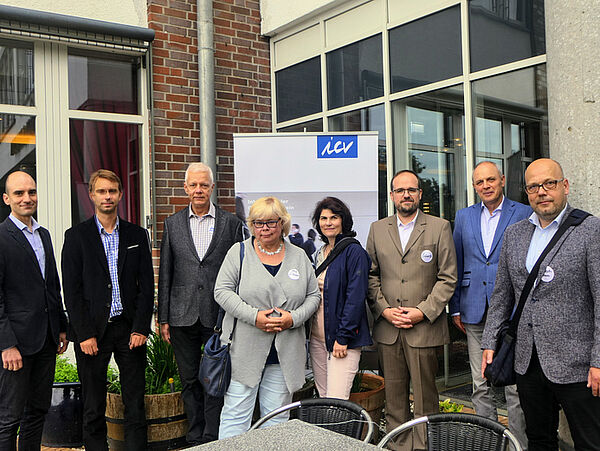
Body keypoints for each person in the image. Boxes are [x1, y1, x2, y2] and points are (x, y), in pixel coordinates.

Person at [482, 158, 600, 450]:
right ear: (527, 192)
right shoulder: (515, 234)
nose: (542, 191)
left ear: (565, 186)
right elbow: (502, 296)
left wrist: (599, 361)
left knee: (590, 442)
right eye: (534, 186)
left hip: (578, 364)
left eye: (549, 184)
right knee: (539, 440)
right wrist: (489, 342)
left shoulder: (590, 230)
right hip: (528, 360)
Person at [62, 169, 154, 450]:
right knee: (93, 406)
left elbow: (147, 286)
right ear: (91, 195)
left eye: (112, 191)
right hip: (93, 333)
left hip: (129, 330)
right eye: (101, 191)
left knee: (134, 404)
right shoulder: (76, 236)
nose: (107, 196)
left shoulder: (137, 234)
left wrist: (140, 327)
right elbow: (72, 291)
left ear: (121, 194)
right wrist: (84, 333)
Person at [214, 196, 320, 438]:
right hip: (244, 349)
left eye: (270, 222)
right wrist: (255, 317)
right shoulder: (238, 252)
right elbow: (221, 292)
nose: (264, 228)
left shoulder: (299, 256)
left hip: (284, 353)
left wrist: (293, 318)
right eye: (258, 223)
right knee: (235, 416)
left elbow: (313, 297)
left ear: (282, 223)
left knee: (277, 419)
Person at [366, 169, 457, 450]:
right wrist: (383, 309)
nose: (406, 194)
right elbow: (370, 276)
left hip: (423, 327)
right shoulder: (378, 229)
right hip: (388, 328)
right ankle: (398, 445)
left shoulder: (439, 227)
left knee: (425, 396)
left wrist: (422, 311)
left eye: (411, 189)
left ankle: (424, 446)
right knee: (393, 395)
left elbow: (448, 277)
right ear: (392, 195)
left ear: (420, 194)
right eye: (400, 190)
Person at [158, 162, 244, 445]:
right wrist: (163, 318)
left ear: (212, 188)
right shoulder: (172, 224)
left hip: (218, 317)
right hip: (182, 316)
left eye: (203, 185)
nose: (198, 190)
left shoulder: (230, 224)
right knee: (189, 380)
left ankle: (212, 435)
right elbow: (166, 272)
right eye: (193, 185)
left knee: (215, 381)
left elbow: (238, 272)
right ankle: (194, 436)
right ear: (185, 188)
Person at [450, 161, 530, 448]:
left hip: (512, 311)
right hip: (473, 308)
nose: (485, 185)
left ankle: (517, 444)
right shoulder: (463, 216)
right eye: (479, 182)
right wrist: (455, 306)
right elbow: (457, 263)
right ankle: (490, 442)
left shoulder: (522, 212)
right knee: (480, 384)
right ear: (474, 186)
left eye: (490, 180)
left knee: (514, 387)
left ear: (502, 180)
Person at [0, 171, 68, 449]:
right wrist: (6, 345)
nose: (27, 198)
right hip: (16, 344)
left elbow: (52, 285)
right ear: (7, 199)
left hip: (46, 339)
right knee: (8, 418)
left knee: (37, 411)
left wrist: (61, 326)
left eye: (31, 192)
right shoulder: (2, 237)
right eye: (19, 193)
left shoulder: (44, 234)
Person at [308, 197, 372, 399]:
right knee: (324, 397)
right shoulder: (320, 253)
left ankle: (343, 433)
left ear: (343, 220)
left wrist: (343, 337)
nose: (328, 222)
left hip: (342, 341)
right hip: (317, 340)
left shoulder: (355, 252)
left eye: (333, 217)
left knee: (337, 401)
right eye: (323, 218)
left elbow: (355, 298)